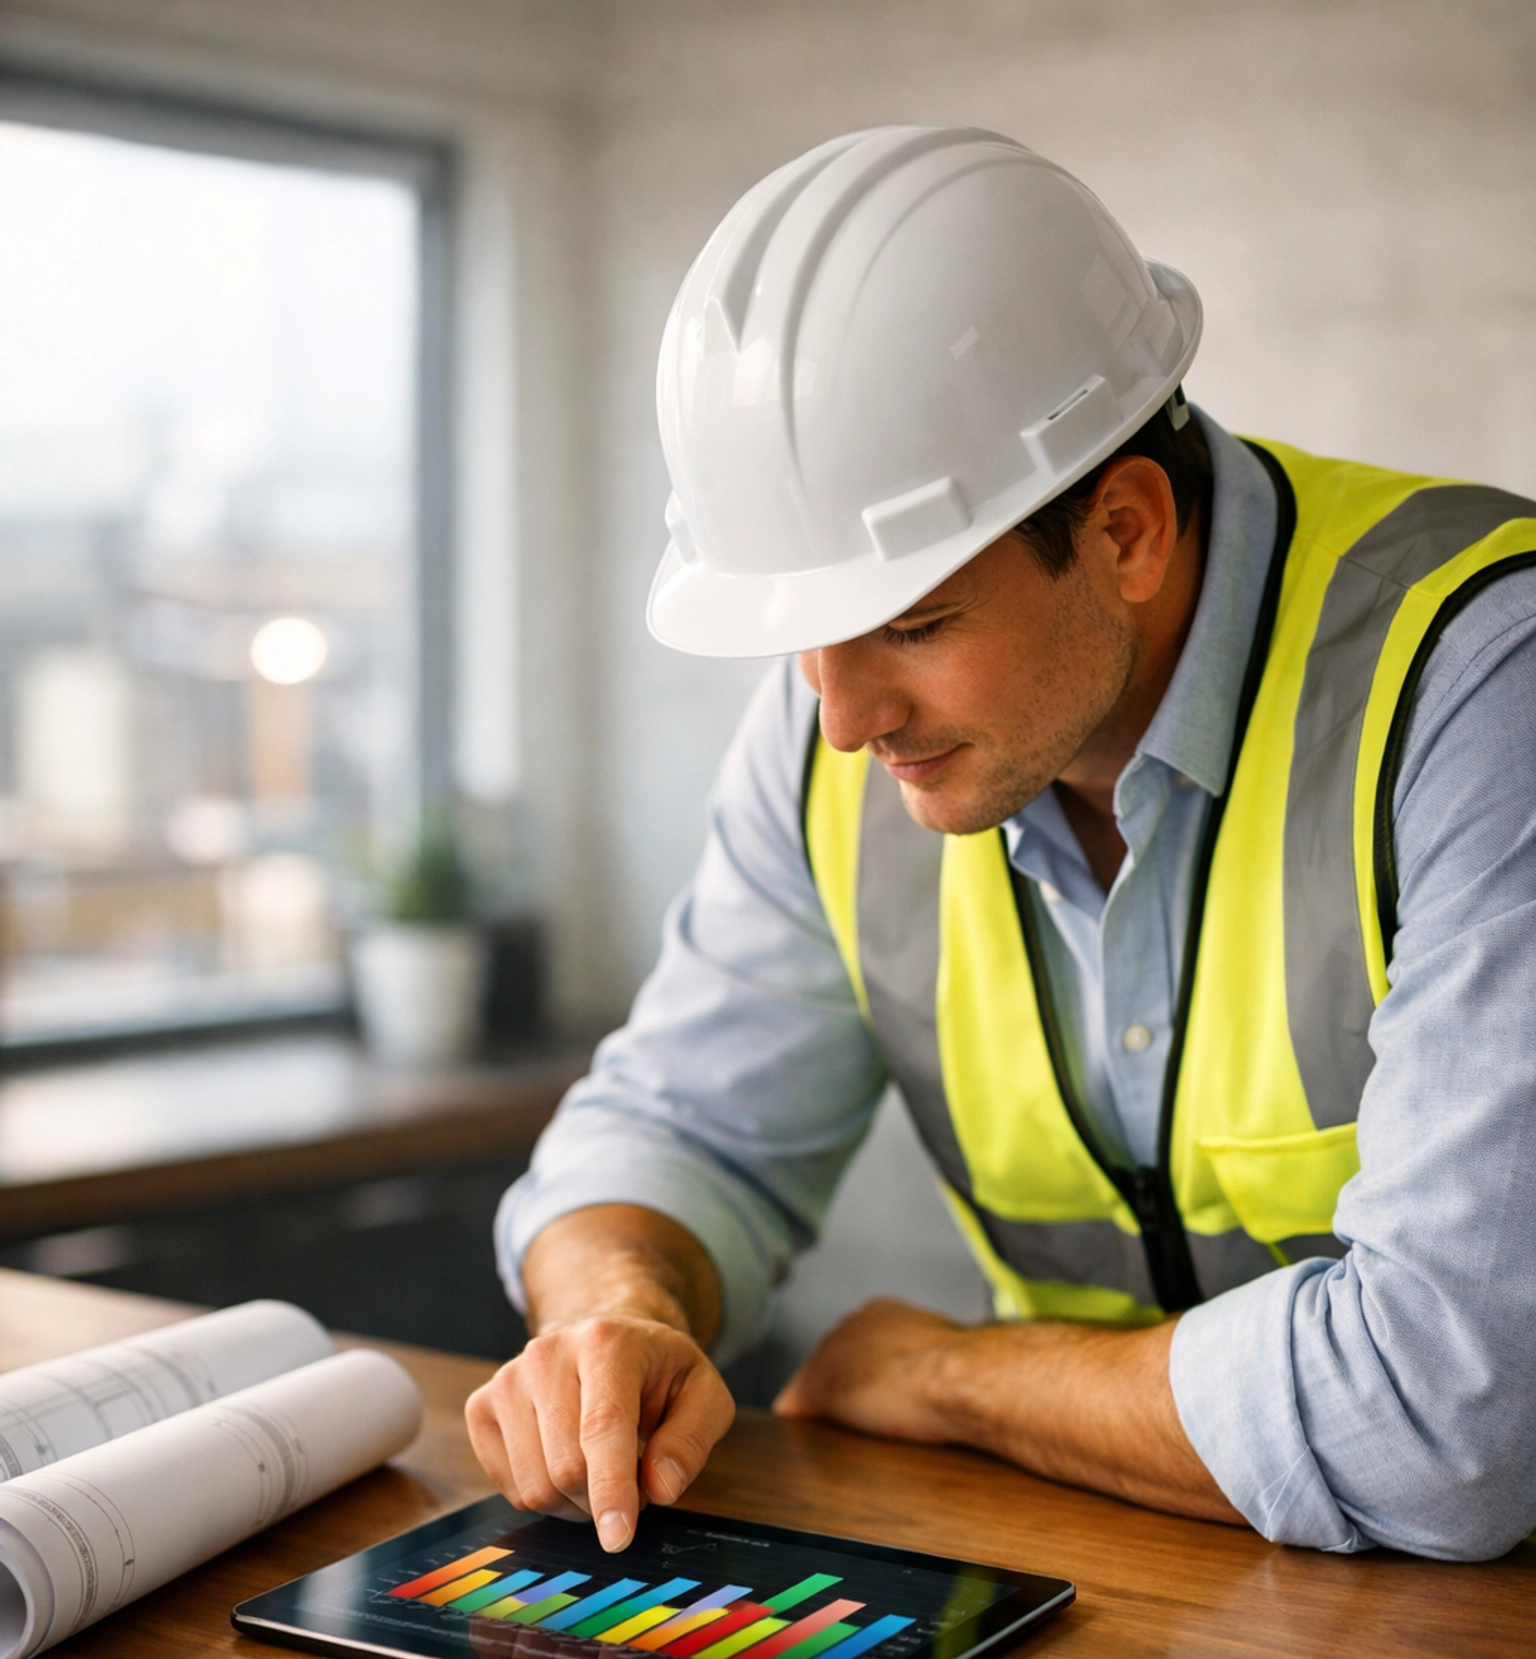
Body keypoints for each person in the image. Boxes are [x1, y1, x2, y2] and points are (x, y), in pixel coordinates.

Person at [468, 125, 1536, 1566]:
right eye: (804, 638)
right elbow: (678, 1129)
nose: (840, 721)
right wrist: (618, 1311)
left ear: (1127, 530)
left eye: (913, 624)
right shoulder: (826, 741)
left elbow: (1454, 1419)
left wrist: (949, 1376)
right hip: (1127, 1581)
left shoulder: (1479, 687)